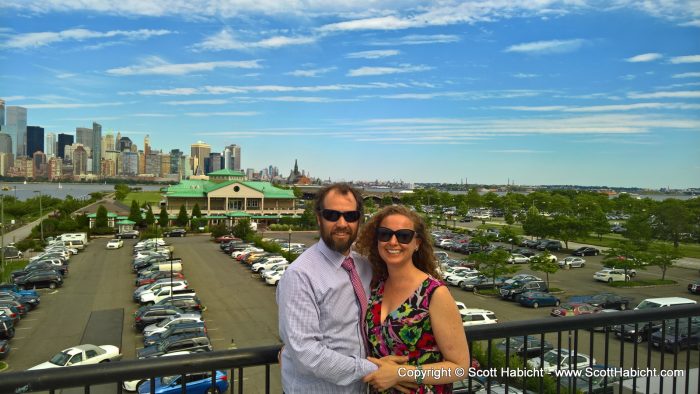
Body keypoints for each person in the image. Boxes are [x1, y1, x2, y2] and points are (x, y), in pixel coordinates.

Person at [277, 183, 409, 393]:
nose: (342, 223)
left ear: (359, 220)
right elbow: (307, 354)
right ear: (319, 218)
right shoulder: (300, 275)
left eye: (350, 216)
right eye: (332, 215)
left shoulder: (364, 266)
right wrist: (375, 368)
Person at [356, 205, 470, 393]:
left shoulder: (434, 293)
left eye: (403, 236)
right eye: (385, 234)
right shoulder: (376, 287)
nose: (393, 242)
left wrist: (402, 373)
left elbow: (459, 367)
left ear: (416, 243)